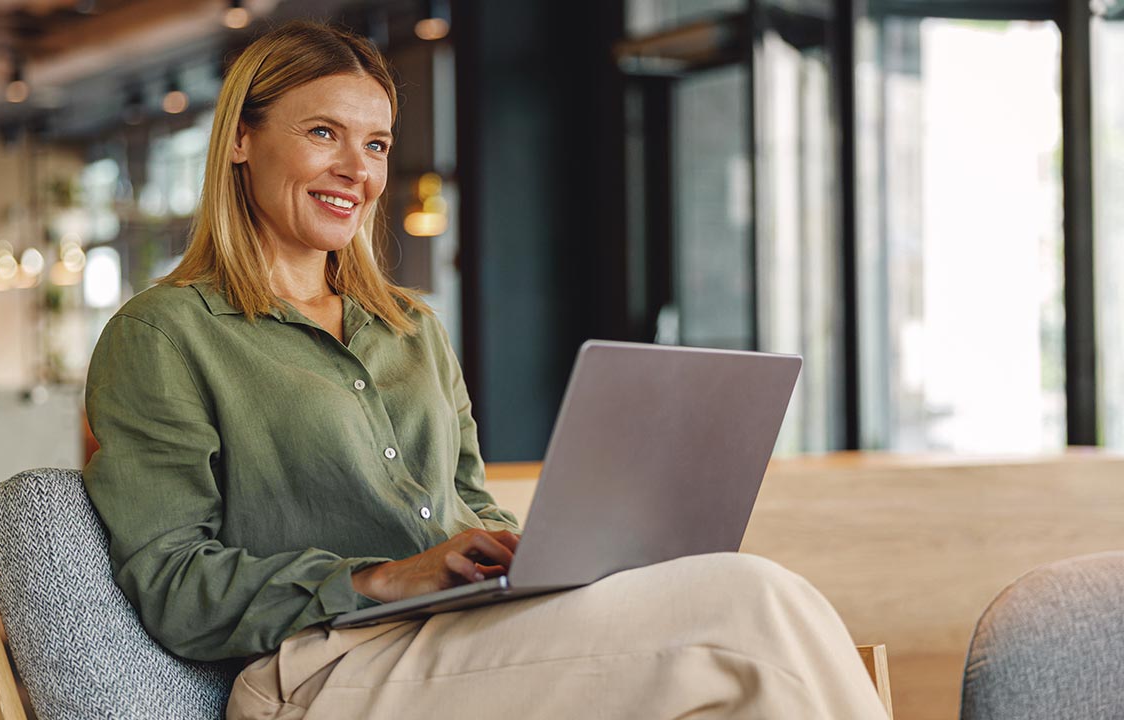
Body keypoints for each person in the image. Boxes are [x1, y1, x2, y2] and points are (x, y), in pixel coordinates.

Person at [83, 20, 888, 720]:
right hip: (320, 675)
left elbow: (466, 502)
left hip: (463, 636)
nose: (357, 171)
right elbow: (172, 583)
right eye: (323, 133)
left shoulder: (410, 328)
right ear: (241, 140)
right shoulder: (164, 335)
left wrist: (522, 555)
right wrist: (383, 579)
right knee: (748, 611)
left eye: (376, 144)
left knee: (749, 604)